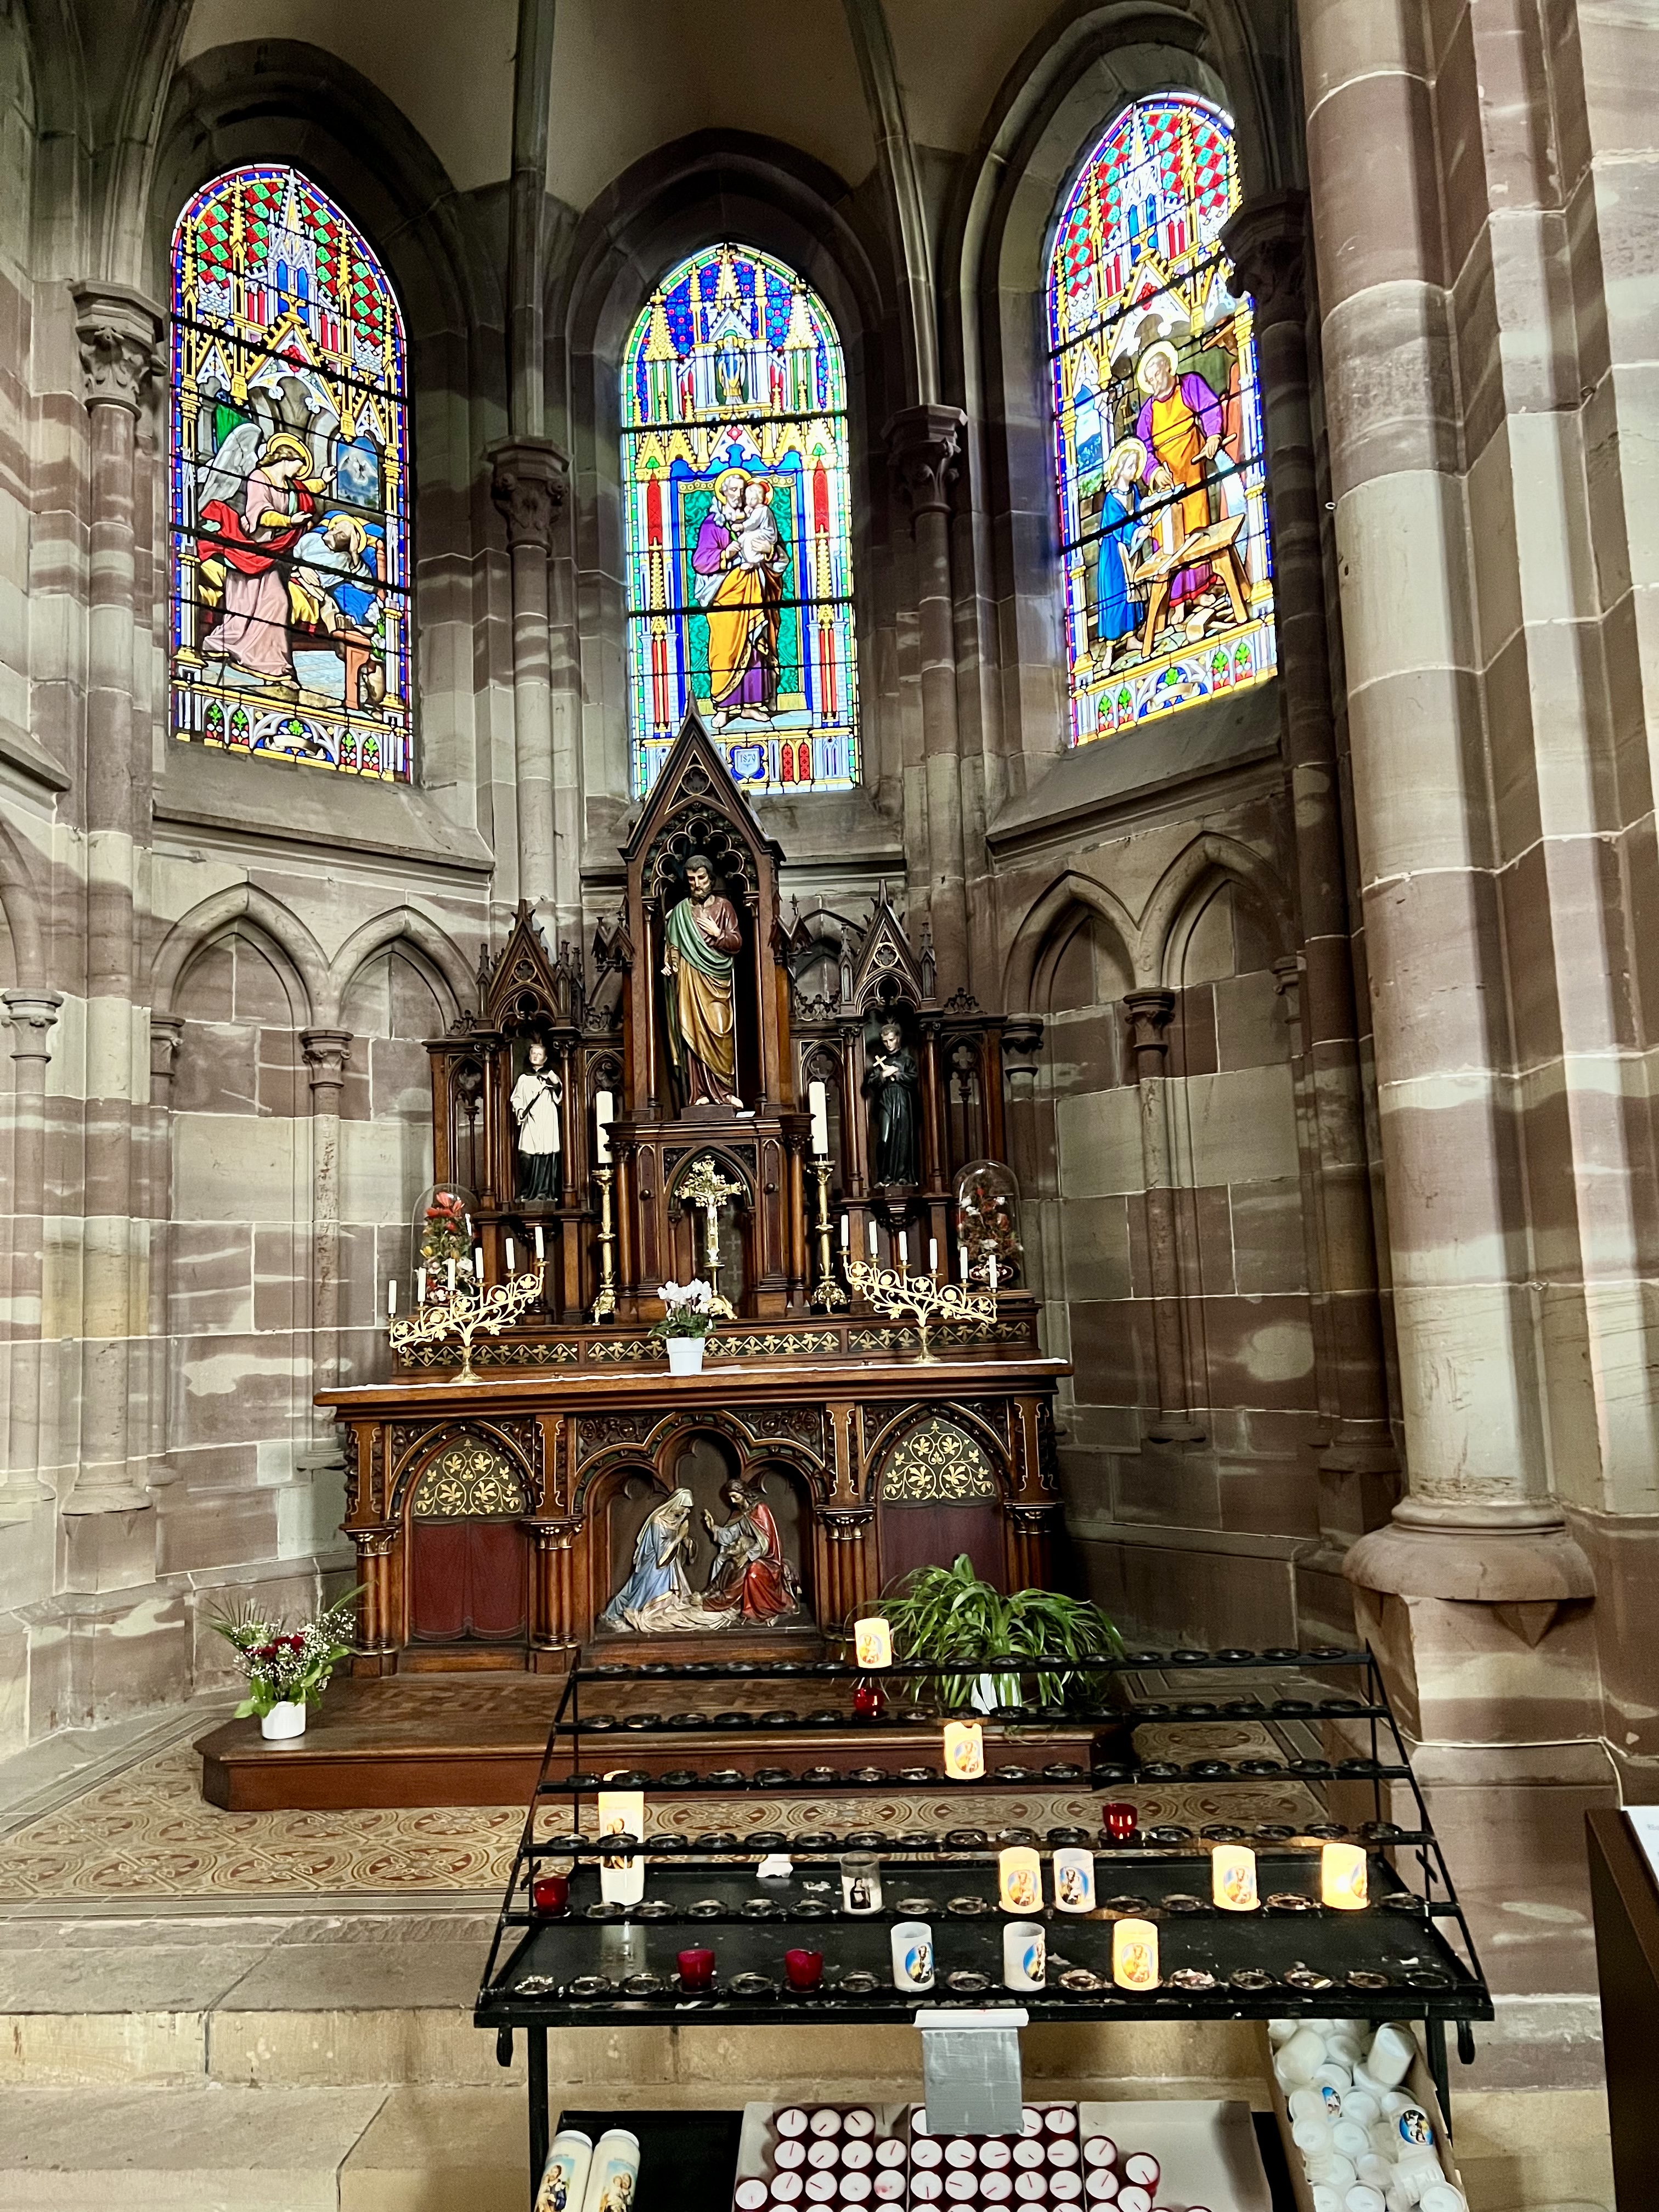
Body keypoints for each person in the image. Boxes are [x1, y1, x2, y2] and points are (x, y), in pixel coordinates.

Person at [197, 427, 323, 692]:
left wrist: (323, 481)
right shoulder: (258, 477)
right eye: (299, 464)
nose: (301, 471)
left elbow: (307, 490)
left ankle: (275, 665)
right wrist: (289, 521)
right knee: (243, 607)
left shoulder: (291, 486)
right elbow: (260, 514)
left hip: (273, 554)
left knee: (278, 602)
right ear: (286, 458)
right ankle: (230, 645)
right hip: (249, 550)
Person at [692, 467, 787, 730]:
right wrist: (726, 554)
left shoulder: (759, 517)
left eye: (743, 490)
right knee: (724, 650)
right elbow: (700, 561)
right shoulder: (713, 524)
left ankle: (752, 705)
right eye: (734, 490)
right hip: (726, 595)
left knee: (756, 646)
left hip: (755, 589)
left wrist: (769, 551)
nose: (739, 495)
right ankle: (724, 706)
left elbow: (780, 557)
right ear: (723, 493)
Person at [1133, 342, 1224, 606]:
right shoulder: (1148, 412)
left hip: (1192, 473)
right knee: (1169, 540)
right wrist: (1153, 472)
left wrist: (1213, 435)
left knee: (1196, 530)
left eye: (1156, 375)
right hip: (1167, 485)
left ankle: (1201, 591)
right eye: (1149, 380)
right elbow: (1143, 449)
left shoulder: (1190, 385)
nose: (1154, 383)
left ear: (1168, 367)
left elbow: (1210, 407)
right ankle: (1176, 601)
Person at [662, 853, 744, 1109]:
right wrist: (671, 964)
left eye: (701, 878)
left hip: (717, 980)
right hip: (690, 980)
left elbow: (736, 943)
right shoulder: (680, 912)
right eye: (691, 880)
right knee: (693, 1033)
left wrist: (718, 934)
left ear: (711, 878)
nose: (697, 884)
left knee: (721, 1030)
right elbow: (673, 947)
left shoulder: (724, 907)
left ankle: (725, 1091)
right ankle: (699, 1092)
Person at [601, 1489, 734, 1633]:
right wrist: (679, 1537)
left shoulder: (676, 1521)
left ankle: (660, 1620)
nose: (688, 1512)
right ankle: (631, 1617)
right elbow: (661, 1554)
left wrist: (687, 1542)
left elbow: (676, 1543)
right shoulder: (658, 1521)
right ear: (676, 1504)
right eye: (686, 1507)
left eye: (689, 1508)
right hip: (655, 1568)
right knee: (641, 1596)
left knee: (672, 1602)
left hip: (671, 1566)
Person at [702, 1475, 799, 1623]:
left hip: (767, 1558)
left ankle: (754, 1609)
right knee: (722, 1560)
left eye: (735, 1497)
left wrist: (748, 1556)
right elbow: (731, 1535)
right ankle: (718, 1595)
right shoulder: (741, 1513)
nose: (733, 1501)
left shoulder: (760, 1509)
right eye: (731, 1498)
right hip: (746, 1551)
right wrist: (713, 1528)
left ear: (744, 1494)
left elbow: (766, 1541)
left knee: (752, 1571)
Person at [1093, 439, 1150, 667]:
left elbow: (1137, 510)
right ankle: (1109, 649)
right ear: (1118, 469)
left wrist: (1146, 513)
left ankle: (1131, 638)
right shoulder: (1111, 499)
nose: (1134, 470)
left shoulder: (1133, 490)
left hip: (1131, 551)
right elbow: (1118, 527)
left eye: (1136, 465)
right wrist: (1137, 531)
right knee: (1116, 597)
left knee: (1132, 593)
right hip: (1114, 556)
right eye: (1130, 466)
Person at [863, 1018, 919, 1187]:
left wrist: (898, 1074)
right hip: (886, 1102)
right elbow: (871, 1083)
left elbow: (914, 1079)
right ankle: (885, 1177)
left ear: (898, 1038)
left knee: (903, 1138)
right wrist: (883, 1075)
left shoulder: (907, 1061)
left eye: (892, 1040)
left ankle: (903, 1176)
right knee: (885, 1139)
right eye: (885, 1041)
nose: (889, 1044)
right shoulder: (880, 1062)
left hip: (903, 1102)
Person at [510, 1037, 563, 1203]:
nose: (535, 1056)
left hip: (547, 1120)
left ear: (545, 1058)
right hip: (530, 1121)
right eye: (533, 1053)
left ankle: (545, 1192)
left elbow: (560, 1096)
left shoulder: (551, 1075)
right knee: (526, 1156)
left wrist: (555, 1083)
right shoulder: (524, 1078)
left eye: (539, 1054)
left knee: (546, 1155)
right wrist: (520, 1110)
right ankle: (526, 1191)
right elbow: (516, 1098)